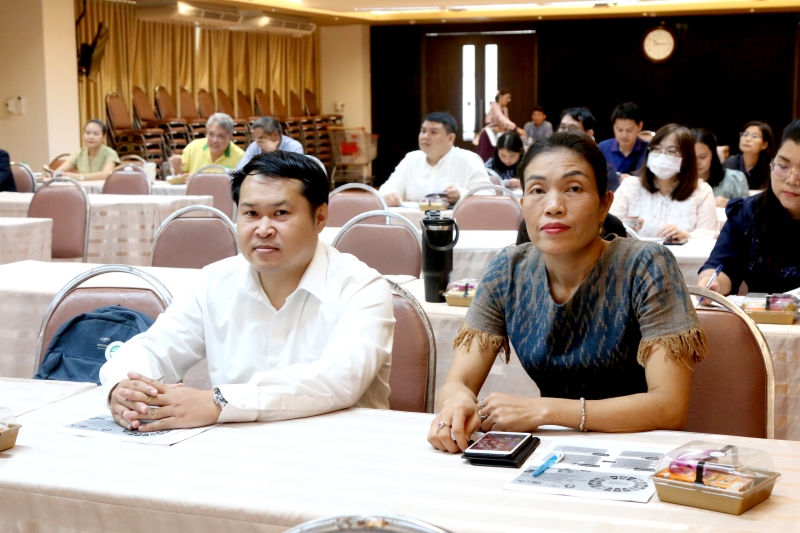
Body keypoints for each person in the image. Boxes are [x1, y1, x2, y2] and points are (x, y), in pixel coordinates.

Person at [427, 131, 708, 453]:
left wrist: (545, 410)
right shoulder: (508, 270)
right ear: (523, 204)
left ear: (604, 204)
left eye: (574, 188)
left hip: (642, 447)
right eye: (537, 190)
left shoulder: (645, 265)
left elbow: (669, 407)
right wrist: (457, 402)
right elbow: (457, 383)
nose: (553, 206)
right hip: (553, 449)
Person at [100, 151, 394, 430]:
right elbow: (153, 347)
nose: (263, 229)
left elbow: (339, 378)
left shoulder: (361, 287)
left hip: (340, 446)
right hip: (234, 447)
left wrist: (220, 402)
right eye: (251, 213)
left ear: (319, 218)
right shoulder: (213, 282)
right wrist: (125, 388)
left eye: (280, 213)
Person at [698, 119, 800, 295]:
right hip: (764, 313)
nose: (791, 180)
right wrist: (710, 284)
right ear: (772, 163)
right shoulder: (748, 212)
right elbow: (722, 265)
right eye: (783, 166)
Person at [610, 124, 718, 240]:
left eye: (671, 151)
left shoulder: (702, 191)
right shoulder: (630, 186)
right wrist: (624, 227)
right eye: (656, 149)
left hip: (683, 252)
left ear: (686, 158)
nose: (662, 156)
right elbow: (606, 227)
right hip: (634, 251)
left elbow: (710, 233)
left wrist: (686, 236)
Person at [379, 112, 492, 206]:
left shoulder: (469, 159)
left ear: (450, 138)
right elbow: (388, 187)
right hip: (414, 221)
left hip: (455, 222)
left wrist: (461, 194)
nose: (425, 137)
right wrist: (389, 194)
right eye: (423, 131)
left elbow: (489, 195)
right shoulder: (411, 159)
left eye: (433, 132)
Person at [169, 113, 244, 180]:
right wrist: (175, 167)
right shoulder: (193, 148)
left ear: (230, 137)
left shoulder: (240, 157)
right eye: (211, 134)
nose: (214, 140)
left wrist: (199, 180)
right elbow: (179, 175)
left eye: (220, 136)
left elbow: (239, 186)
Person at [692, 128, 748, 207]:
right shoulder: (677, 181)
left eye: (702, 157)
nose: (697, 163)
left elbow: (748, 211)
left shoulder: (735, 179)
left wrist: (731, 204)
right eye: (692, 157)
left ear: (713, 154)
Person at [54, 119, 120, 181]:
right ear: (83, 134)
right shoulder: (79, 153)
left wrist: (78, 177)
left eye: (96, 134)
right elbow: (58, 172)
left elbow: (106, 175)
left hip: (103, 189)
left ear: (104, 137)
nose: (91, 137)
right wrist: (59, 174)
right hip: (81, 188)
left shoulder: (110, 153)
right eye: (88, 133)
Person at [598, 102, 648, 178]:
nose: (624, 135)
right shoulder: (602, 148)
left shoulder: (649, 150)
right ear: (613, 127)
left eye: (629, 130)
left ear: (639, 126)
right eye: (620, 130)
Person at [235, 117, 303, 170]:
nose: (257, 142)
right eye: (255, 138)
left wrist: (273, 153)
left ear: (275, 135)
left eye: (261, 138)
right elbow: (240, 169)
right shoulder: (254, 146)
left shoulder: (294, 146)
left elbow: (296, 172)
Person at [723, 121, 774, 190]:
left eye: (755, 136)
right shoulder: (729, 165)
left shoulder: (770, 168)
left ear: (764, 145)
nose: (747, 139)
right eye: (745, 135)